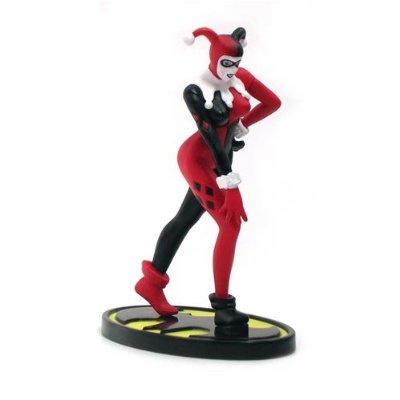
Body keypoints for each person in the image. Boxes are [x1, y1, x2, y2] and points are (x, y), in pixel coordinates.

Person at [135, 27, 281, 326]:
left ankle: (150, 283)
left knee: (184, 219)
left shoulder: (240, 78)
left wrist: (243, 125)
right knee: (230, 223)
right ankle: (223, 306)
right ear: (213, 57)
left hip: (220, 160)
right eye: (226, 63)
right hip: (198, 159)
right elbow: (211, 138)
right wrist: (230, 185)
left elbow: (272, 103)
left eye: (236, 63)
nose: (232, 70)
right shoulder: (196, 91)